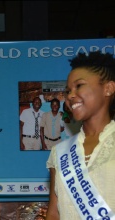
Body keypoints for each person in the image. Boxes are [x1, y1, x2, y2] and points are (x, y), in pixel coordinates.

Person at [46, 51, 115, 219]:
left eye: (79, 86)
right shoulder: (59, 152)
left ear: (108, 88)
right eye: (68, 90)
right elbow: (54, 213)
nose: (70, 96)